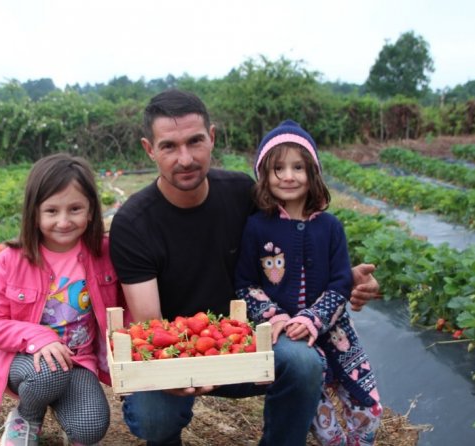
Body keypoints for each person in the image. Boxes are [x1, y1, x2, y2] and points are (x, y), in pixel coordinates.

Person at [108, 89, 381, 446]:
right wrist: (181, 370)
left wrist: (344, 279)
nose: (185, 158)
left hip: (249, 339)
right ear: (149, 149)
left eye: (195, 141)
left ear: (212, 137)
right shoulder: (134, 223)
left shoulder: (242, 193)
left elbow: (290, 245)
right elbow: (151, 325)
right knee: (153, 416)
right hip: (178, 349)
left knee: (303, 362)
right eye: (169, 146)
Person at [234, 119, 382, 445]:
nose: (288, 176)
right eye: (278, 168)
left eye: (298, 167)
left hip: (337, 334)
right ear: (264, 175)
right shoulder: (257, 227)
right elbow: (246, 284)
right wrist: (276, 317)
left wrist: (313, 318)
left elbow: (340, 282)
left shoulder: (330, 227)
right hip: (290, 337)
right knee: (320, 418)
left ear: (312, 172)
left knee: (368, 408)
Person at [0, 153, 126, 446]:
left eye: (75, 209)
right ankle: (27, 417)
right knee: (49, 373)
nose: (64, 221)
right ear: (34, 213)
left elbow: (126, 306)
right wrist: (38, 338)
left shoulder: (105, 254)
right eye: (52, 211)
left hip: (78, 362)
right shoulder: (12, 260)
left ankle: (63, 404)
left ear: (91, 210)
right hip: (25, 360)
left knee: (90, 428)